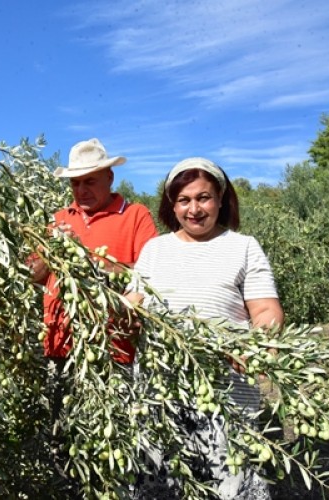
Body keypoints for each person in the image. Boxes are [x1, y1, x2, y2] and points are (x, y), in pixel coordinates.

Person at [128, 157, 283, 500]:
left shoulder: (243, 247)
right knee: (161, 477)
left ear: (221, 199)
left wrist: (256, 347)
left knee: (230, 478)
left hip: (226, 387)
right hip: (160, 390)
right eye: (184, 200)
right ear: (172, 204)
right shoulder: (155, 250)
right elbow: (134, 302)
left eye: (203, 198)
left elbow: (266, 309)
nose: (194, 209)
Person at [30, 138, 158, 364]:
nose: (81, 190)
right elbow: (32, 275)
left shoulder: (136, 215)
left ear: (109, 177)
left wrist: (84, 258)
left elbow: (150, 276)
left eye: (89, 181)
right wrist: (47, 251)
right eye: (75, 183)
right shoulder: (58, 220)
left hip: (114, 352)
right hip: (59, 346)